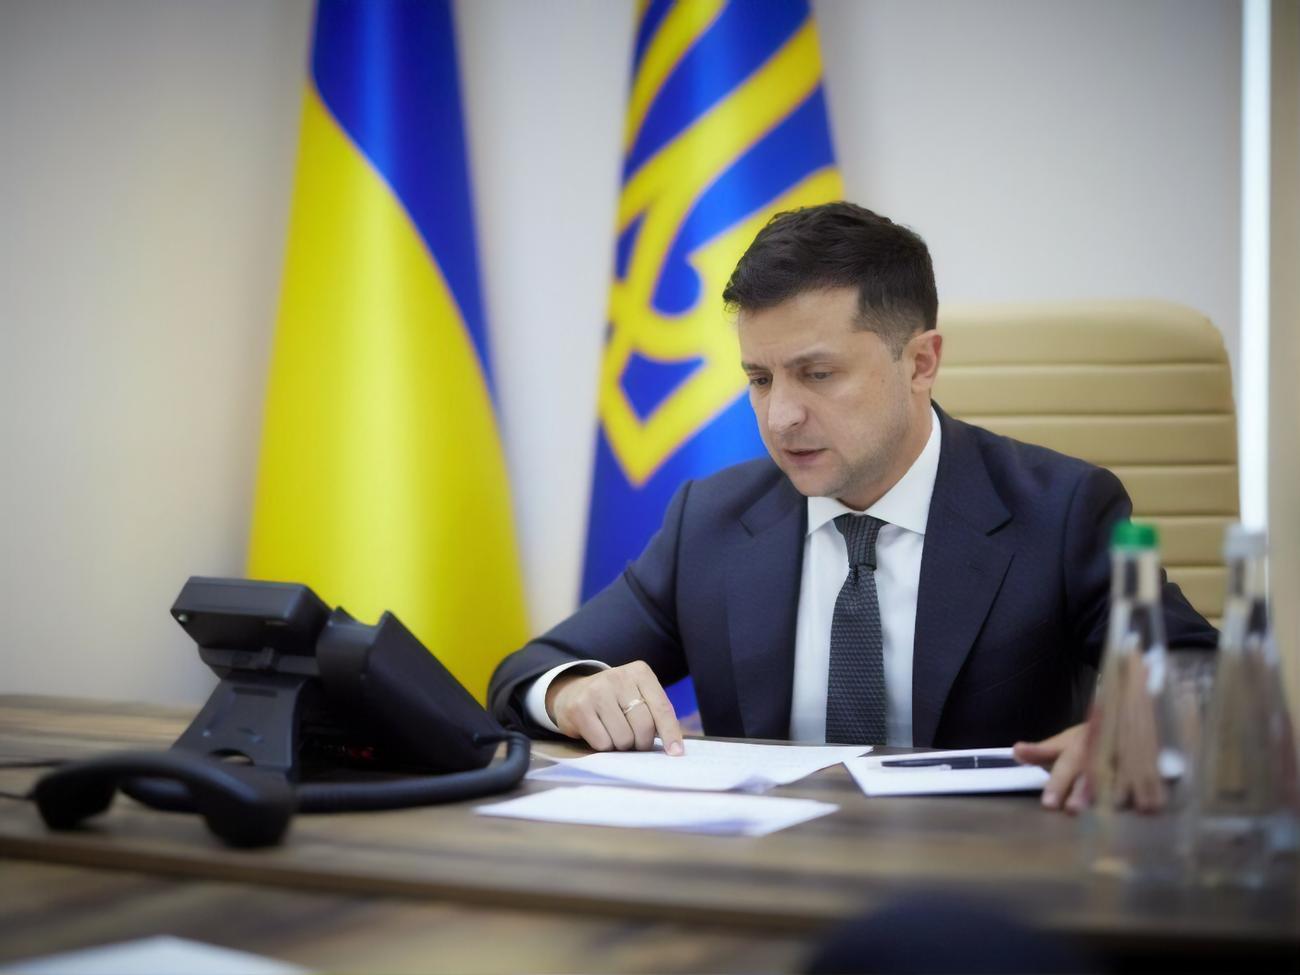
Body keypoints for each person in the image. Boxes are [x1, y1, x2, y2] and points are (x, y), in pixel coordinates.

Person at [488, 202, 1216, 811]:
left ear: (921, 362)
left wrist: (1141, 724)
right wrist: (573, 691)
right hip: (769, 890)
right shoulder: (711, 521)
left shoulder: (1061, 512)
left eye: (816, 374)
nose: (780, 417)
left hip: (990, 890)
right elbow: (531, 669)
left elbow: (1201, 673)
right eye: (760, 378)